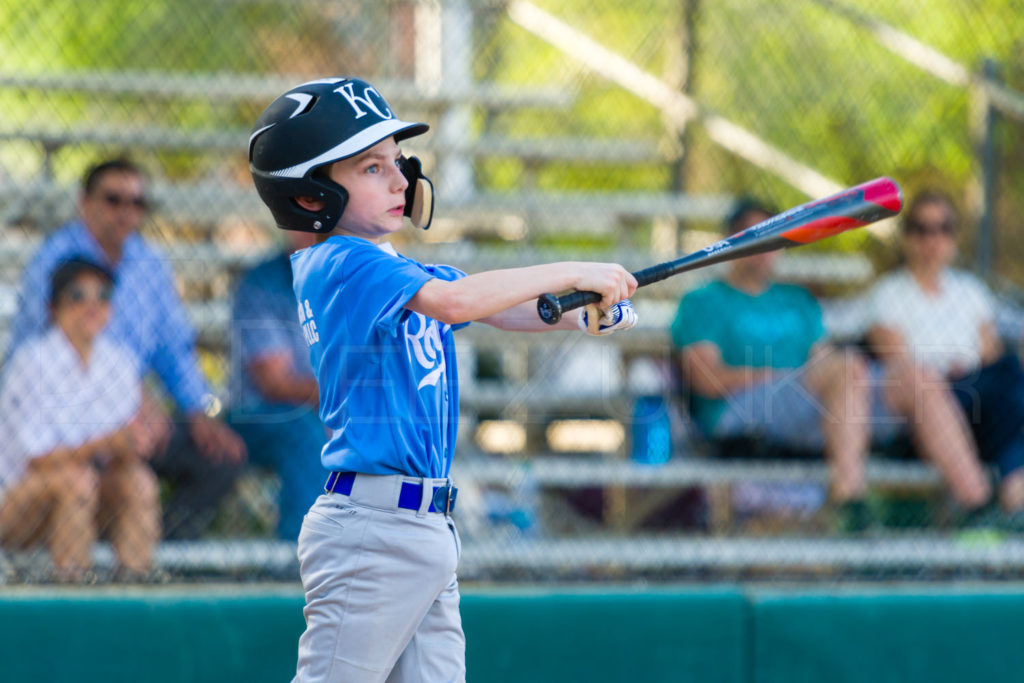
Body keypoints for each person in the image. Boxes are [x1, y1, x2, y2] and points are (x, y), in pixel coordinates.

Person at [249, 77, 638, 682]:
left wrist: (579, 310)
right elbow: (459, 302)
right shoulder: (339, 263)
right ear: (310, 194)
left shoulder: (398, 268)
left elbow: (502, 308)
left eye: (395, 162)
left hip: (423, 528)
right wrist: (575, 267)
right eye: (371, 168)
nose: (401, 179)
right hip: (372, 534)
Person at [671, 199, 990, 529]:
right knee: (849, 367)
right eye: (753, 235)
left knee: (916, 377)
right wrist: (782, 375)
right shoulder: (703, 301)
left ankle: (978, 505)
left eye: (773, 236)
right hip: (739, 410)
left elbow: (824, 362)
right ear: (729, 240)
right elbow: (706, 380)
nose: (764, 247)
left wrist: (825, 379)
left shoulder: (798, 300)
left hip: (809, 403)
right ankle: (849, 502)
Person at [7, 158, 247, 540]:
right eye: (113, 199)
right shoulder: (53, 260)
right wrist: (130, 400)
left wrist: (199, 411)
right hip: (67, 421)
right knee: (108, 466)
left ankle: (165, 560)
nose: (126, 211)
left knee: (218, 455)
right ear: (84, 204)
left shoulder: (150, 264)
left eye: (137, 203)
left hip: (132, 418)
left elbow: (174, 349)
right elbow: (51, 350)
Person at [865, 189, 1024, 514]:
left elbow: (990, 355)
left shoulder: (971, 291)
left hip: (980, 392)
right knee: (1010, 390)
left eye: (943, 229)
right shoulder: (888, 293)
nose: (933, 240)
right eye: (922, 229)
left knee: (1009, 378)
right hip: (930, 399)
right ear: (907, 236)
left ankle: (1012, 498)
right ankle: (1006, 502)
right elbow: (896, 360)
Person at [0, 258, 159, 581]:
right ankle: (73, 595)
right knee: (77, 480)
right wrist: (109, 442)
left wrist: (136, 443)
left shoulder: (118, 362)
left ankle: (135, 594)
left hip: (88, 498)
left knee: (139, 481)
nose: (92, 305)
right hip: (16, 502)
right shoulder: (32, 361)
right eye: (77, 295)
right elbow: (37, 459)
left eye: (102, 296)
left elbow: (118, 450)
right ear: (52, 308)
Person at [228, 229, 327, 540]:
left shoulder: (352, 282)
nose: (310, 228)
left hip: (326, 409)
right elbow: (275, 383)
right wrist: (341, 398)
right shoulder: (263, 283)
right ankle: (301, 555)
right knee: (304, 430)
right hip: (259, 416)